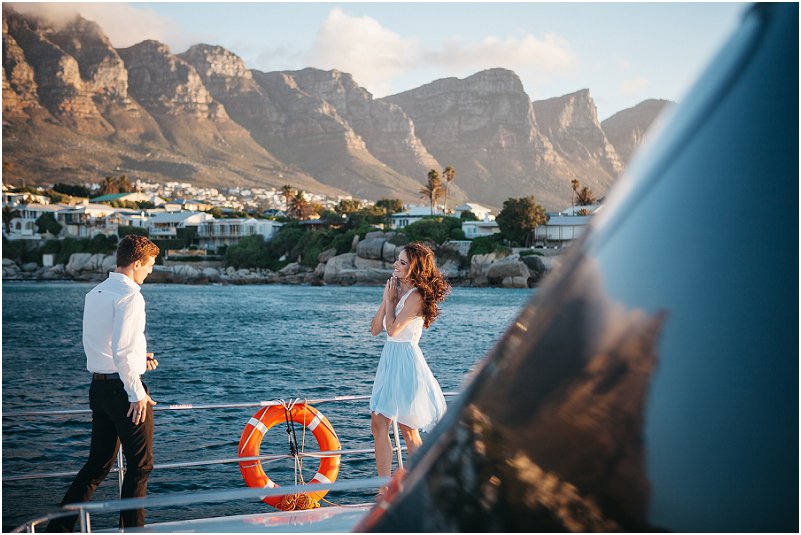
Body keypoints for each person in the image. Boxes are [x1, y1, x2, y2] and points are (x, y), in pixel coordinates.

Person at [47, 235, 160, 532]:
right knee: (141, 466)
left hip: (98, 388)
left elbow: (106, 345)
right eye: (149, 265)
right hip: (124, 391)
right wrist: (136, 392)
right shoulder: (131, 295)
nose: (150, 271)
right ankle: (133, 531)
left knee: (96, 467)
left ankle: (57, 529)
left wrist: (139, 358)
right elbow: (122, 351)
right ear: (136, 263)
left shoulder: (96, 292)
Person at [369, 242, 450, 485]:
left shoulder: (416, 297)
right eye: (397, 260)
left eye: (402, 262)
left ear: (415, 269)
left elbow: (393, 330)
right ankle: (384, 488)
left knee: (408, 430)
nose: (396, 264)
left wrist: (392, 301)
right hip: (389, 360)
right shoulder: (393, 291)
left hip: (406, 363)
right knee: (378, 423)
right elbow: (375, 329)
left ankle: (423, 485)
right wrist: (386, 299)